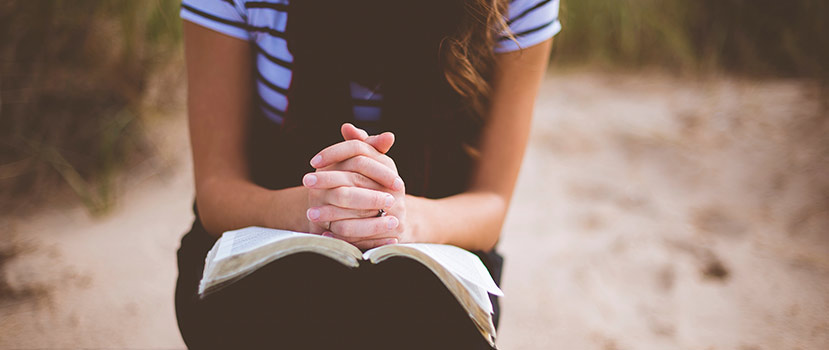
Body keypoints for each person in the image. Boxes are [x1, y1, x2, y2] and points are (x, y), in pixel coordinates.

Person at [175, 0, 560, 348]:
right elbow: (215, 190)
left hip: (438, 234)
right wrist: (316, 210)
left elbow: (491, 202)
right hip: (269, 220)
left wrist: (400, 218)